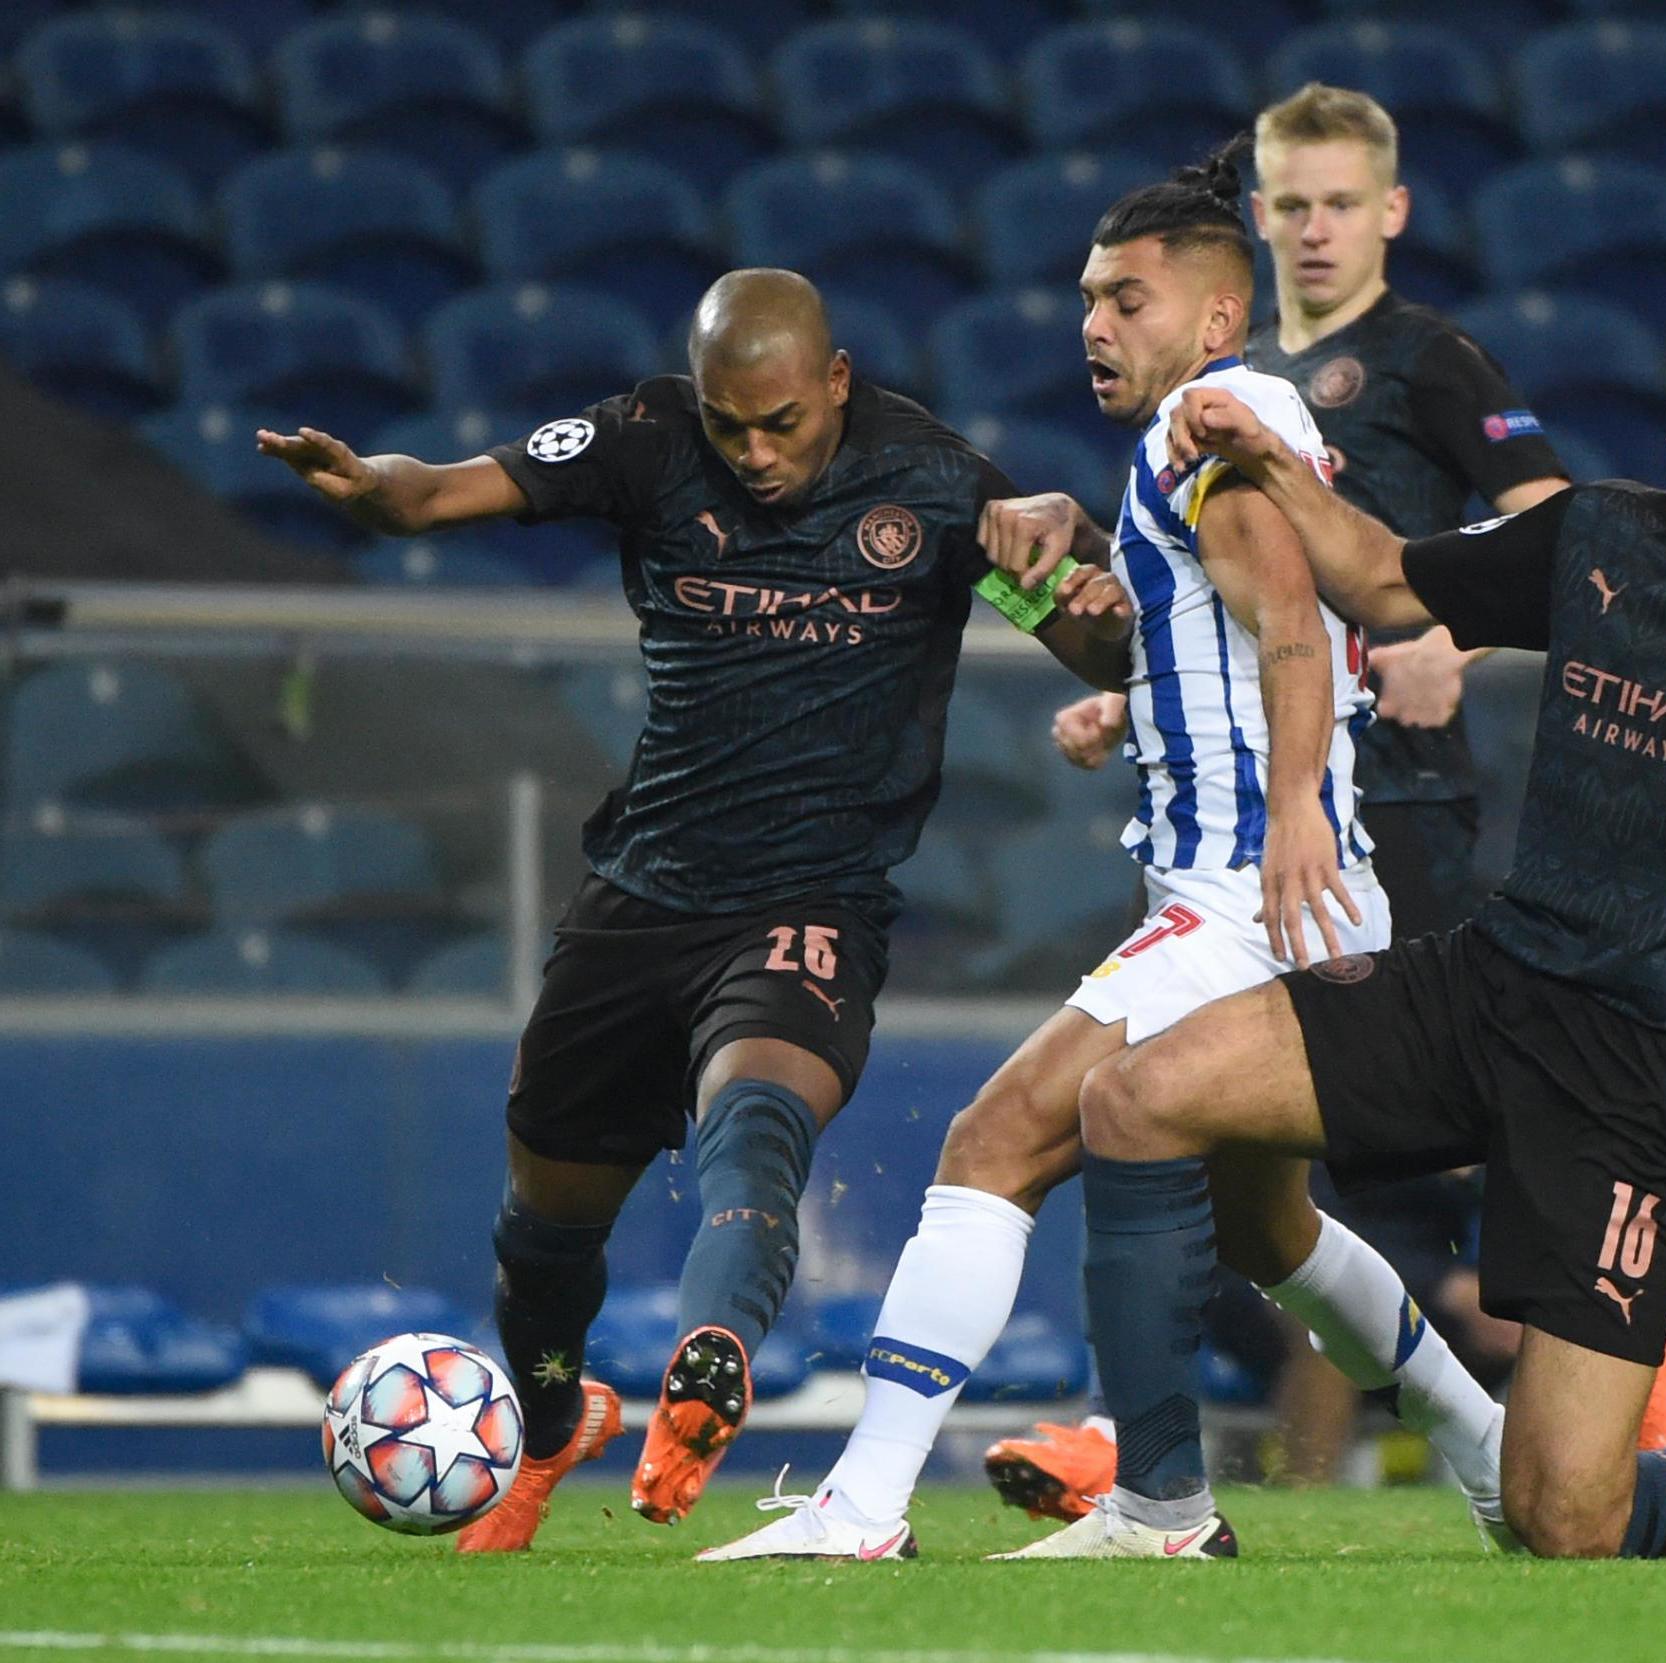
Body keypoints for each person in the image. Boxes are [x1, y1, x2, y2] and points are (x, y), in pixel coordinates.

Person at [1002, 267, 1666, 1562]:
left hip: (1637, 1073)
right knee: (1136, 1100)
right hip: (1485, 981)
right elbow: (1377, 576)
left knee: (1564, 1516)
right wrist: (1271, 462)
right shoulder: (1598, 534)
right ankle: (1159, 1509)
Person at [696, 152, 1513, 1566]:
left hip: (1248, 894)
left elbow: (1286, 627)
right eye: (1084, 296)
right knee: (1270, 1229)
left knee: (990, 1140)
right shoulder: (1197, 441)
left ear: (1210, 318)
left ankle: (866, 1500)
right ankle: (1489, 1452)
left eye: (1124, 298)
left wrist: (1303, 799)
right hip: (1275, 886)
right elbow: (1224, 641)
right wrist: (1115, 689)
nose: (1092, 323)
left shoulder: (1212, 426)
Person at [258, 269, 1134, 1550]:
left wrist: (1082, 583)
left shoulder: (942, 491)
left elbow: (1108, 648)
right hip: (643, 895)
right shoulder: (650, 442)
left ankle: (706, 1364)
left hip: (815, 897)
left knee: (758, 1118)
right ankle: (555, 1427)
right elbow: (442, 490)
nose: (758, 451)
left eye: (782, 420)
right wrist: (372, 489)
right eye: (734, 425)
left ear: (837, 382)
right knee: (545, 1232)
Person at [1001, 83, 1666, 1512]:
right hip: (1263, 811)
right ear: (1255, 222)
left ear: (1389, 212)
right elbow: (1227, 608)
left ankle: (1639, 1384)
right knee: (1260, 1181)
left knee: (1410, 1152)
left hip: (1394, 812)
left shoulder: (1429, 362)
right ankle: (1282, 1461)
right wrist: (1136, 695)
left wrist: (1449, 633)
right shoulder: (1217, 387)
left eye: (1340, 204)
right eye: (1290, 205)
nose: (1314, 231)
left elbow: (1558, 535)